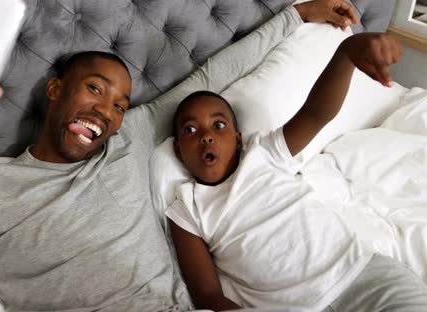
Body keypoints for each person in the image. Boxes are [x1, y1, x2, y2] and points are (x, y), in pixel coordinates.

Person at [0, 0, 358, 310]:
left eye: (120, 103)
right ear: (55, 90)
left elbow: (211, 78)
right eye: (94, 89)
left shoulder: (129, 140)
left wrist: (294, 15)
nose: (108, 111)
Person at [167, 33, 427, 311]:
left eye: (218, 126)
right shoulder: (187, 209)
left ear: (239, 138)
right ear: (179, 151)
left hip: (364, 278)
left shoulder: (263, 153)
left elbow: (316, 113)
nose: (206, 136)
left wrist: (346, 54)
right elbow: (208, 297)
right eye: (190, 130)